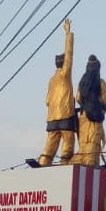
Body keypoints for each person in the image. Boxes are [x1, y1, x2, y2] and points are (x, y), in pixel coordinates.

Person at [32, 19, 78, 167]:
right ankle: (65, 165)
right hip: (66, 115)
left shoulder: (52, 80)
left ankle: (44, 162)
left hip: (52, 118)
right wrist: (68, 33)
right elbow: (69, 53)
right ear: (64, 63)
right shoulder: (65, 74)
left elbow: (47, 101)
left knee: (50, 144)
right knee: (68, 142)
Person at [74, 54, 106, 168]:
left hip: (84, 115)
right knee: (94, 142)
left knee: (83, 142)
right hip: (96, 116)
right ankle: (91, 164)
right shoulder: (101, 83)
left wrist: (85, 106)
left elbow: (78, 98)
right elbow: (104, 101)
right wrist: (104, 109)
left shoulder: (82, 82)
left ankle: (82, 162)